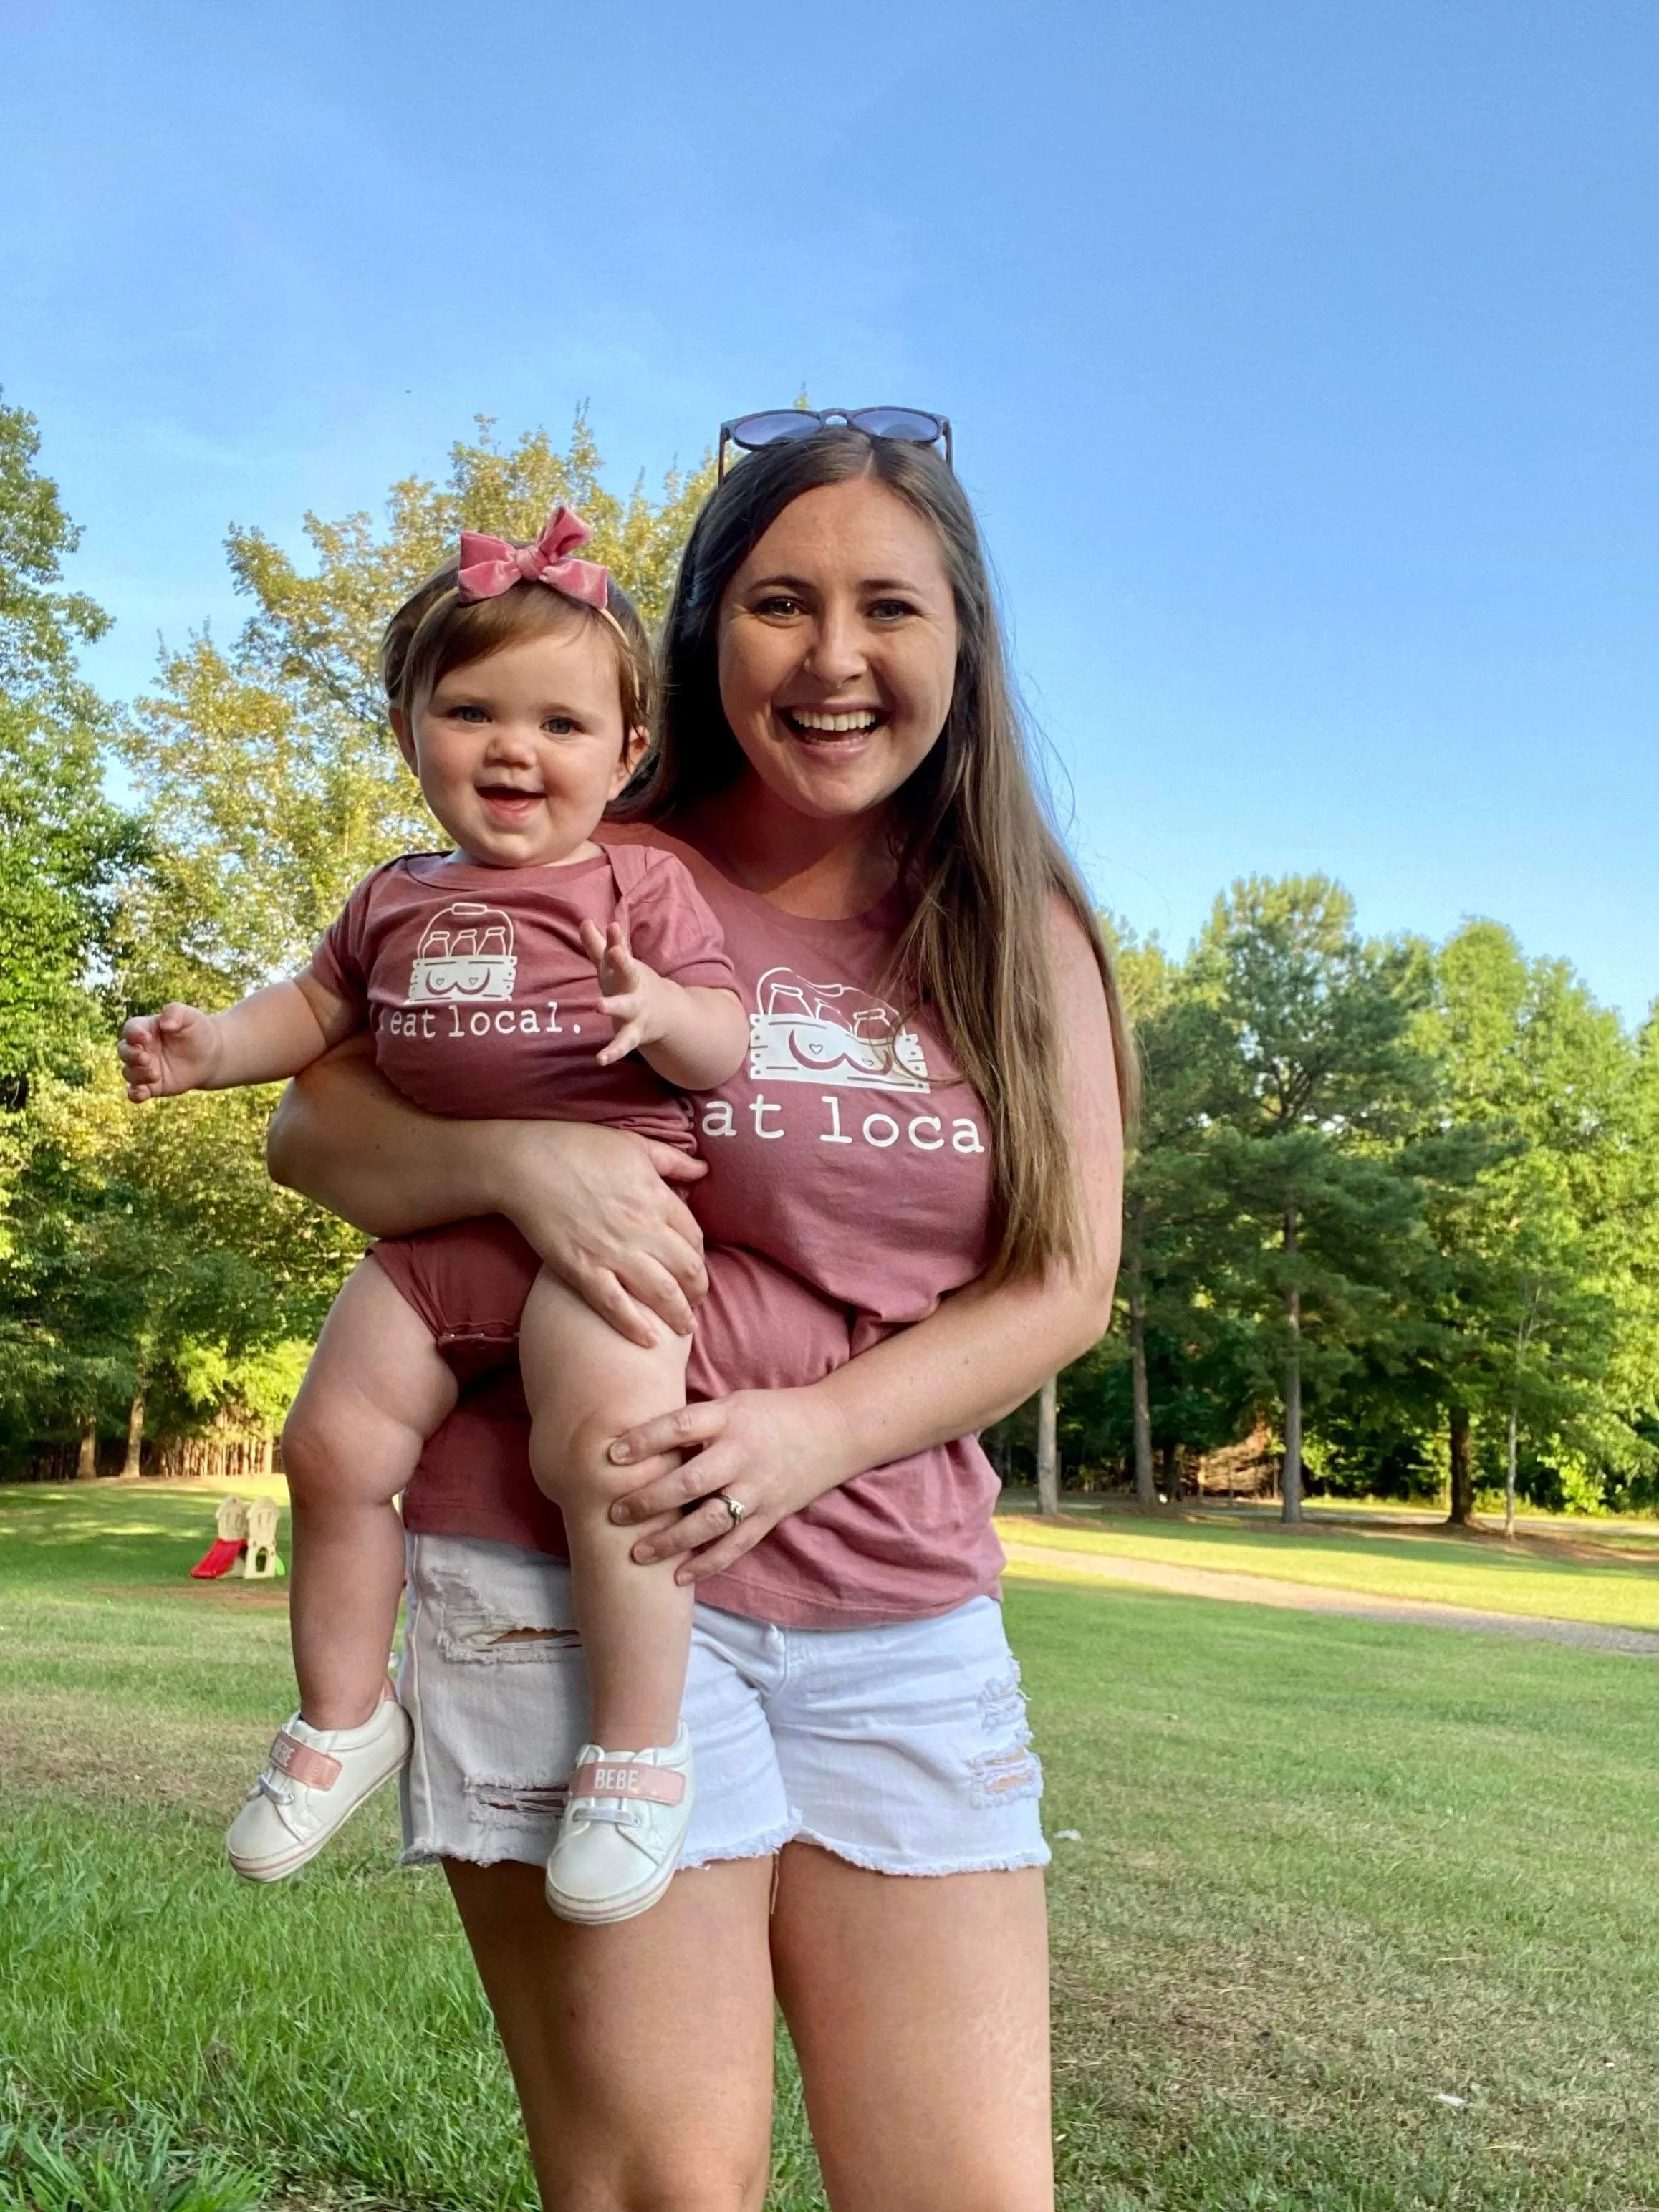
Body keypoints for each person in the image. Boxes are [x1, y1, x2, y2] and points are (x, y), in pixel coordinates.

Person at [268, 412, 1131, 2212]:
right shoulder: (593, 855)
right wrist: (521, 1165)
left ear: (962, 645)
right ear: (699, 631)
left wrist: (812, 1432)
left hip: (896, 1603)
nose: (834, 658)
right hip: (566, 1570)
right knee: (668, 2183)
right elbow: (312, 1118)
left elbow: (1063, 1282)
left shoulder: (1017, 925)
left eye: (890, 607)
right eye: (777, 603)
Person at [119, 506, 748, 1914]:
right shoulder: (393, 896)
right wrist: (212, 1045)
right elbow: (311, 1012)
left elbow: (726, 1037)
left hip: (604, 1237)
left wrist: (665, 1011)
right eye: (469, 710)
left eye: (561, 723)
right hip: (431, 1244)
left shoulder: (641, 880)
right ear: (409, 731)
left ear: (629, 753)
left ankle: (640, 1751)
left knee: (614, 1456)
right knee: (330, 1441)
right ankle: (344, 1717)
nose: (513, 748)